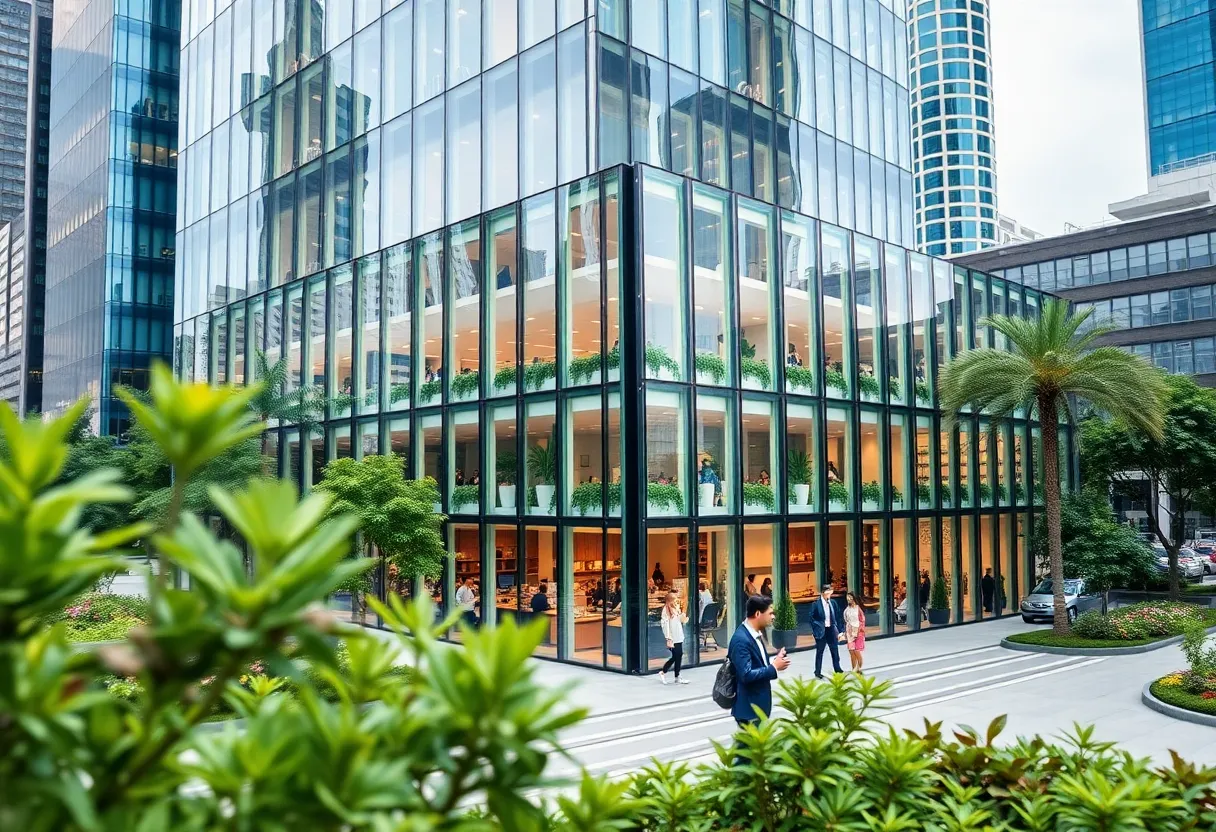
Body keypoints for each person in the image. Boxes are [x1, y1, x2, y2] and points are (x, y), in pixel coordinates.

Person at [728, 595, 791, 726]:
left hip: (758, 708)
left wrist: (775, 661)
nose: (773, 617)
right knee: (749, 745)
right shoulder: (741, 640)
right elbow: (746, 675)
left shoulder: (755, 634)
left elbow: (757, 664)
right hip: (749, 710)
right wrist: (774, 668)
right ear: (757, 613)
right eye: (770, 613)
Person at [809, 583, 845, 679]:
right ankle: (817, 671)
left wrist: (841, 631)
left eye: (830, 592)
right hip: (821, 631)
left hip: (831, 630)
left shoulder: (833, 603)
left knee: (835, 650)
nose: (829, 594)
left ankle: (837, 669)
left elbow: (838, 617)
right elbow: (812, 618)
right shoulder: (816, 604)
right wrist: (815, 630)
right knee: (820, 652)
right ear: (823, 593)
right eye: (828, 592)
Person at [659, 592, 689, 685]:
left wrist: (683, 615)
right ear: (670, 600)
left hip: (678, 635)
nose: (676, 601)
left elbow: (679, 620)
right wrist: (668, 637)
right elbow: (665, 625)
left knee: (678, 656)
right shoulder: (666, 610)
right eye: (674, 599)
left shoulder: (675, 608)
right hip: (672, 637)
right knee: (677, 655)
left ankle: (676, 676)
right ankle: (664, 672)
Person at [844, 592, 866, 674]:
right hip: (850, 632)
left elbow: (862, 620)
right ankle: (853, 668)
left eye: (850, 598)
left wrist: (860, 629)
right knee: (851, 651)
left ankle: (859, 669)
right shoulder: (847, 609)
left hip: (858, 632)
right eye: (847, 598)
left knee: (857, 651)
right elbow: (846, 620)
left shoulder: (858, 608)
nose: (849, 599)